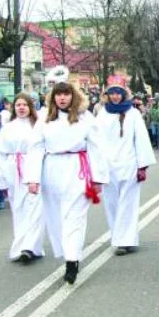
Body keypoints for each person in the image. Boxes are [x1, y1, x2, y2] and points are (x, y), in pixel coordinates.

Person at [25, 79, 108, 284]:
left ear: (73, 96)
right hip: (52, 168)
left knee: (75, 216)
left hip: (77, 168)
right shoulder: (45, 117)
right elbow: (35, 148)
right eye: (58, 94)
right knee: (56, 217)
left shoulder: (84, 117)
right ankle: (66, 252)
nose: (62, 98)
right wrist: (32, 178)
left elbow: (97, 146)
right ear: (53, 97)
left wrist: (98, 178)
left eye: (66, 94)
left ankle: (72, 261)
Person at [97, 75, 155, 255]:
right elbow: (96, 141)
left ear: (124, 94)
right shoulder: (102, 113)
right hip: (108, 166)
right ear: (107, 94)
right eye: (112, 93)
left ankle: (126, 240)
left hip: (129, 163)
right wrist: (96, 166)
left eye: (118, 93)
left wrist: (142, 165)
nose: (115, 96)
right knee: (112, 203)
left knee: (128, 204)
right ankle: (118, 236)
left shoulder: (133, 113)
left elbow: (141, 139)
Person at [0, 93, 45, 263]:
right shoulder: (8, 127)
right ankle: (21, 246)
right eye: (18, 105)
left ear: (30, 107)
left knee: (35, 207)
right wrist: (2, 174)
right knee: (19, 208)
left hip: (34, 167)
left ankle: (31, 246)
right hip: (14, 168)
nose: (21, 108)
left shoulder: (38, 126)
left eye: (24, 105)